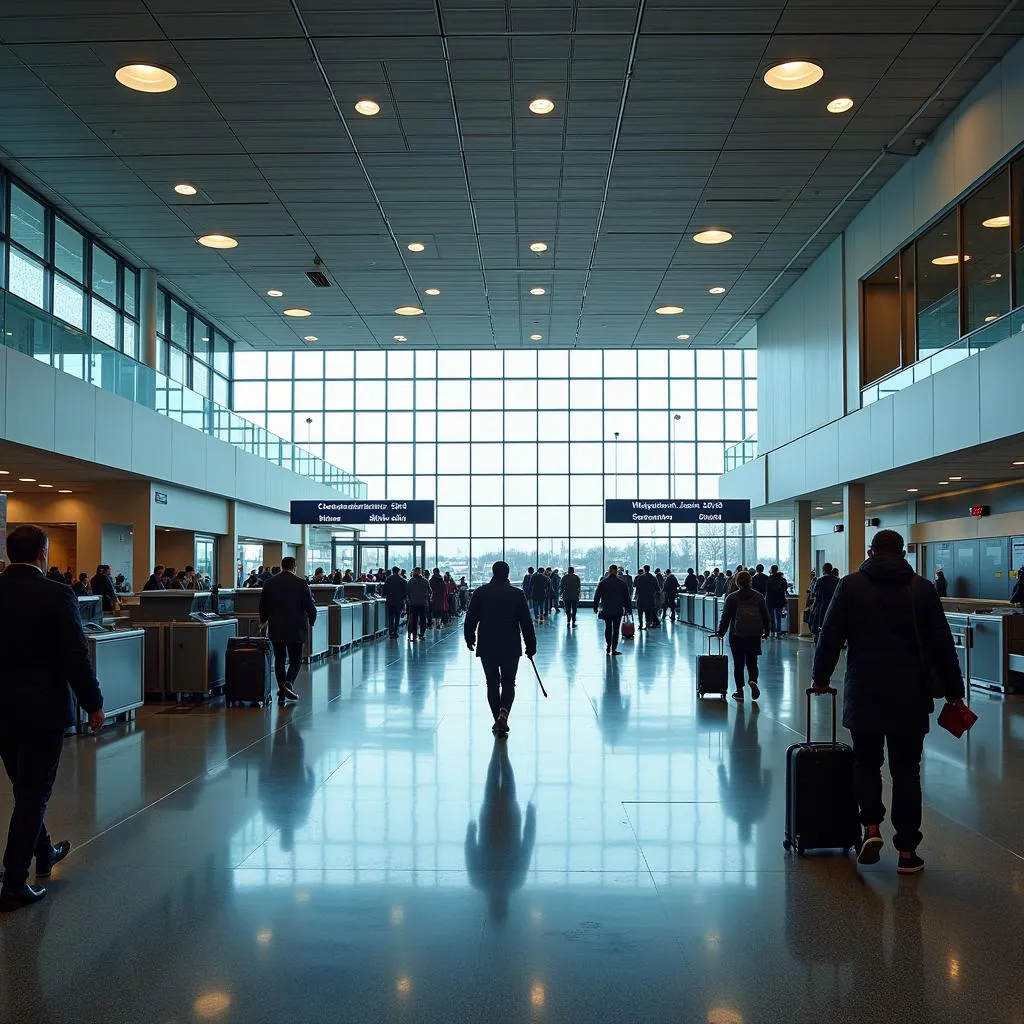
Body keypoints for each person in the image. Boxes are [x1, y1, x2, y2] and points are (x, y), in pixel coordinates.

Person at [811, 530, 965, 875]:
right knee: (907, 770)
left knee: (866, 762)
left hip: (865, 691)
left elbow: (830, 635)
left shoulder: (850, 586)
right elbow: (942, 645)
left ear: (870, 551)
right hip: (910, 694)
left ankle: (871, 828)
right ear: (904, 552)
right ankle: (908, 851)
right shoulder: (922, 589)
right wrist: (955, 690)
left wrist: (820, 678)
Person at [0, 525, 105, 911]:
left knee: (23, 786)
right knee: (34, 792)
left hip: (2, 711)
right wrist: (93, 702)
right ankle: (13, 881)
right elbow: (75, 656)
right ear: (43, 553)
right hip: (42, 710)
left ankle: (44, 853)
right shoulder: (57, 594)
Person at [464, 561, 537, 737]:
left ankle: (497, 717)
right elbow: (526, 622)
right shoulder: (517, 594)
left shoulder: (481, 592)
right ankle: (503, 713)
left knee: (492, 683)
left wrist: (469, 637)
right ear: (508, 573)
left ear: (492, 572)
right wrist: (531, 645)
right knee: (508, 682)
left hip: (487, 645)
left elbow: (471, 617)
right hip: (510, 644)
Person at [258, 557, 317, 703]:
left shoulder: (269, 583)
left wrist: (263, 620)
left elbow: (263, 605)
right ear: (294, 567)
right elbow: (309, 605)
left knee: (279, 660)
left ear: (282, 566)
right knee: (296, 660)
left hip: (276, 627)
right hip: (296, 627)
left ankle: (282, 692)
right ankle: (288, 683)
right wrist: (312, 619)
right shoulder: (301, 583)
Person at [717, 570, 770, 702]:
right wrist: (767, 631)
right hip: (754, 634)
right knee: (752, 662)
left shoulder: (732, 597)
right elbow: (765, 615)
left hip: (736, 635)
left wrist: (721, 632)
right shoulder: (758, 597)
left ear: (737, 582)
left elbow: (726, 617)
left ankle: (739, 691)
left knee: (738, 664)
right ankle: (753, 680)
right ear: (750, 581)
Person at [593, 565, 632, 656]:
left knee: (608, 627)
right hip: (618, 610)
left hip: (606, 609)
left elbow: (597, 595)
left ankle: (608, 645)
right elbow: (627, 598)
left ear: (609, 571)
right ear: (616, 571)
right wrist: (628, 609)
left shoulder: (603, 582)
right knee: (616, 629)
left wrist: (595, 607)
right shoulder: (621, 583)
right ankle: (613, 648)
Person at [810, 562, 840, 641]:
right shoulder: (838, 580)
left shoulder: (820, 580)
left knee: (821, 624)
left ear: (823, 570)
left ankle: (820, 639)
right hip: (834, 607)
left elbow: (817, 595)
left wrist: (813, 606)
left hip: (822, 606)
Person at [382, 566, 408, 639]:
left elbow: (384, 591)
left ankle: (390, 632)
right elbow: (405, 593)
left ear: (392, 571)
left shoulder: (388, 579)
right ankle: (395, 632)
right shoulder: (403, 580)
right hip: (399, 601)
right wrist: (404, 601)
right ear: (399, 571)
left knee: (390, 617)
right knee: (397, 617)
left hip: (390, 601)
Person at [764, 564, 789, 638]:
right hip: (779, 599)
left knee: (771, 616)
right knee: (778, 616)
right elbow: (784, 589)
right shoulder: (782, 579)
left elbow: (767, 590)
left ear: (771, 570)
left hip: (770, 600)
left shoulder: (768, 579)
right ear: (777, 570)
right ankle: (778, 631)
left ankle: (772, 631)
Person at [406, 567, 430, 640]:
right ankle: (422, 634)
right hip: (423, 603)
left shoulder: (410, 581)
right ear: (421, 572)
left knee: (414, 619)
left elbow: (407, 591)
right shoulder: (425, 581)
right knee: (423, 619)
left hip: (413, 603)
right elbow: (430, 591)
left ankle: (414, 635)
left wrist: (409, 599)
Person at [634, 565, 659, 631]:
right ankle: (647, 624)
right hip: (650, 598)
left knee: (640, 612)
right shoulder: (653, 578)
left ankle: (641, 624)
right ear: (649, 569)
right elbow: (657, 589)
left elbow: (637, 588)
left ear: (644, 569)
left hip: (641, 598)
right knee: (648, 612)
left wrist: (636, 596)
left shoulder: (640, 578)